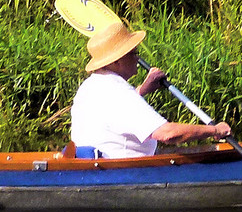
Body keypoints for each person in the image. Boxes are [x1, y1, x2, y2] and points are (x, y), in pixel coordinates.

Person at [69, 20, 231, 158]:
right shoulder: (118, 93)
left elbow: (116, 112)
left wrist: (143, 90)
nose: (138, 58)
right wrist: (215, 129)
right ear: (115, 62)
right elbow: (168, 134)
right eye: (133, 53)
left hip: (95, 166)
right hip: (119, 172)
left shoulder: (92, 85)